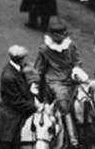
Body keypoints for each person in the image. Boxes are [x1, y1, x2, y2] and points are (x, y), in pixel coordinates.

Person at [31, 17, 89, 146]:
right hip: (55, 82)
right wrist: (35, 84)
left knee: (88, 97)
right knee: (64, 107)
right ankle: (74, 140)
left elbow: (77, 61)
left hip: (71, 79)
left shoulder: (70, 45)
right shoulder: (44, 49)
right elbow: (38, 69)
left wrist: (77, 71)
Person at [0, 45, 40, 149]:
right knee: (9, 139)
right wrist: (35, 107)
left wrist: (32, 85)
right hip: (12, 110)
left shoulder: (19, 67)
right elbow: (16, 102)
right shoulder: (9, 77)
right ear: (20, 59)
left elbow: (29, 75)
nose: (25, 60)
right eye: (24, 58)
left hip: (25, 100)